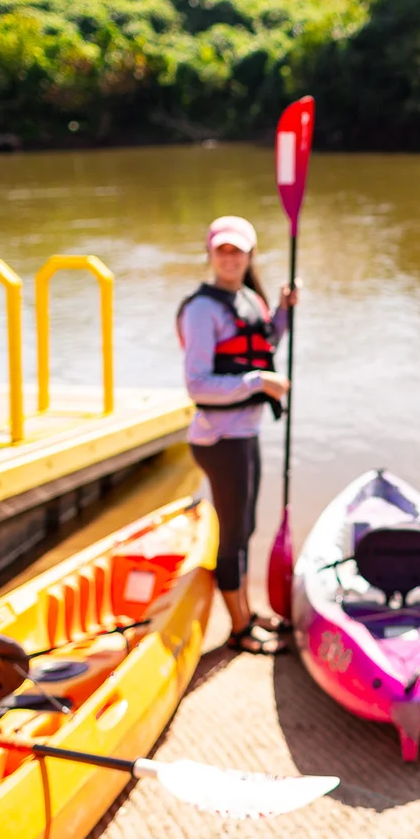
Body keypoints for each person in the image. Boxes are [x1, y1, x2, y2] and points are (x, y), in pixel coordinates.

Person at [178, 215, 298, 655]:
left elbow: (262, 344)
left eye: (238, 251)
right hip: (218, 439)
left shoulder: (250, 298)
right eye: (222, 250)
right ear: (211, 254)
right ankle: (239, 629)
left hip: (243, 433)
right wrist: (259, 383)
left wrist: (283, 312)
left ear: (250, 256)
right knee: (233, 535)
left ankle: (246, 611)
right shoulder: (201, 310)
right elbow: (198, 384)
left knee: (246, 529)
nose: (229, 258)